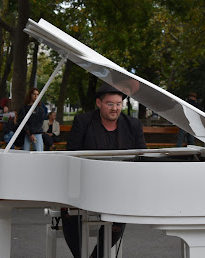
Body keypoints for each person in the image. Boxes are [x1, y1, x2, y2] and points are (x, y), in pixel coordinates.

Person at [62, 82, 146, 258]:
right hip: (85, 184)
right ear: (99, 103)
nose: (115, 109)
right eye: (110, 104)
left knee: (121, 212)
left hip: (120, 188)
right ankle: (79, 255)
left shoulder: (133, 125)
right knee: (68, 211)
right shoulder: (83, 122)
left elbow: (142, 158)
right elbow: (71, 155)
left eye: (118, 104)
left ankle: (96, 256)